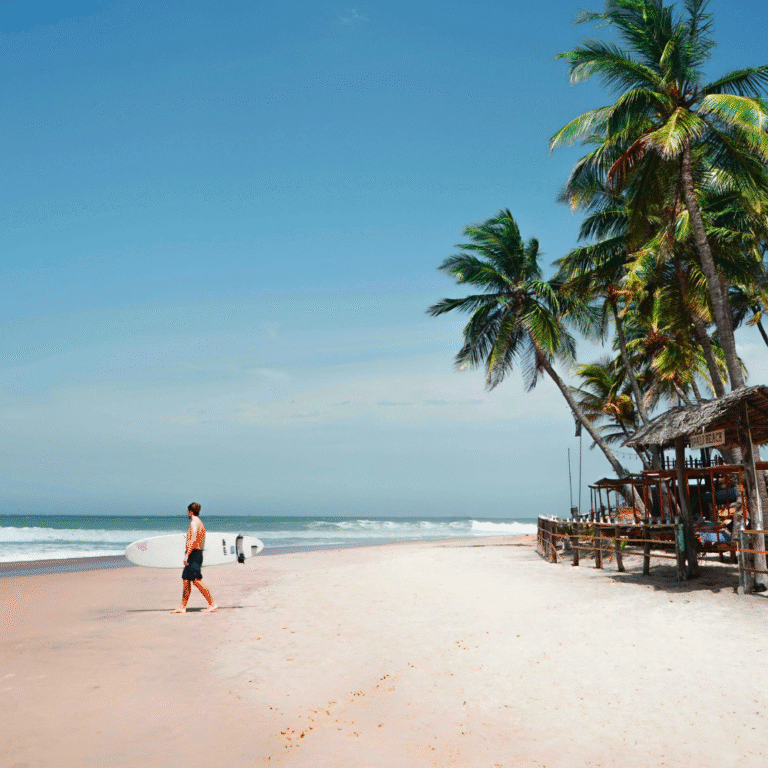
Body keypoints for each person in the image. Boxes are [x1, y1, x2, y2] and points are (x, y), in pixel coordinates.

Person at [171, 502, 218, 614]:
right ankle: (182, 607)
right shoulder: (199, 522)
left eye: (187, 512)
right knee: (186, 579)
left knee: (196, 580)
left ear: (190, 512)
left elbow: (193, 539)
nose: (187, 514)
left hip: (194, 554)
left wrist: (187, 555)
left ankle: (212, 603)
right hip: (195, 553)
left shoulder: (194, 522)